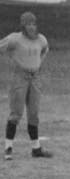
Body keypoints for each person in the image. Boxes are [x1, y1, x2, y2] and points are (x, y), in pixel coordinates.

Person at [1, 11, 52, 159]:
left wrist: (38, 63)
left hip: (35, 78)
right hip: (20, 77)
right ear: (23, 25)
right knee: (16, 112)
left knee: (34, 113)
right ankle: (8, 148)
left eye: (33, 24)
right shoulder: (15, 39)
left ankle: (36, 149)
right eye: (28, 24)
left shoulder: (41, 39)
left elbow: (45, 49)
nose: (31, 27)